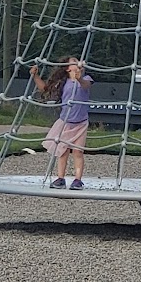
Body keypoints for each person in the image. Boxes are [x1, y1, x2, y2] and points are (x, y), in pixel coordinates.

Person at [30, 56, 94, 190]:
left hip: (81, 123)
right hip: (65, 122)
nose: (77, 63)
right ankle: (60, 178)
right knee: (62, 152)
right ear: (67, 68)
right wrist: (35, 76)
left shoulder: (86, 79)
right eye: (73, 62)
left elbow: (85, 85)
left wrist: (79, 78)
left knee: (78, 152)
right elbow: (45, 89)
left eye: (77, 61)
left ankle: (78, 180)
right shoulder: (63, 83)